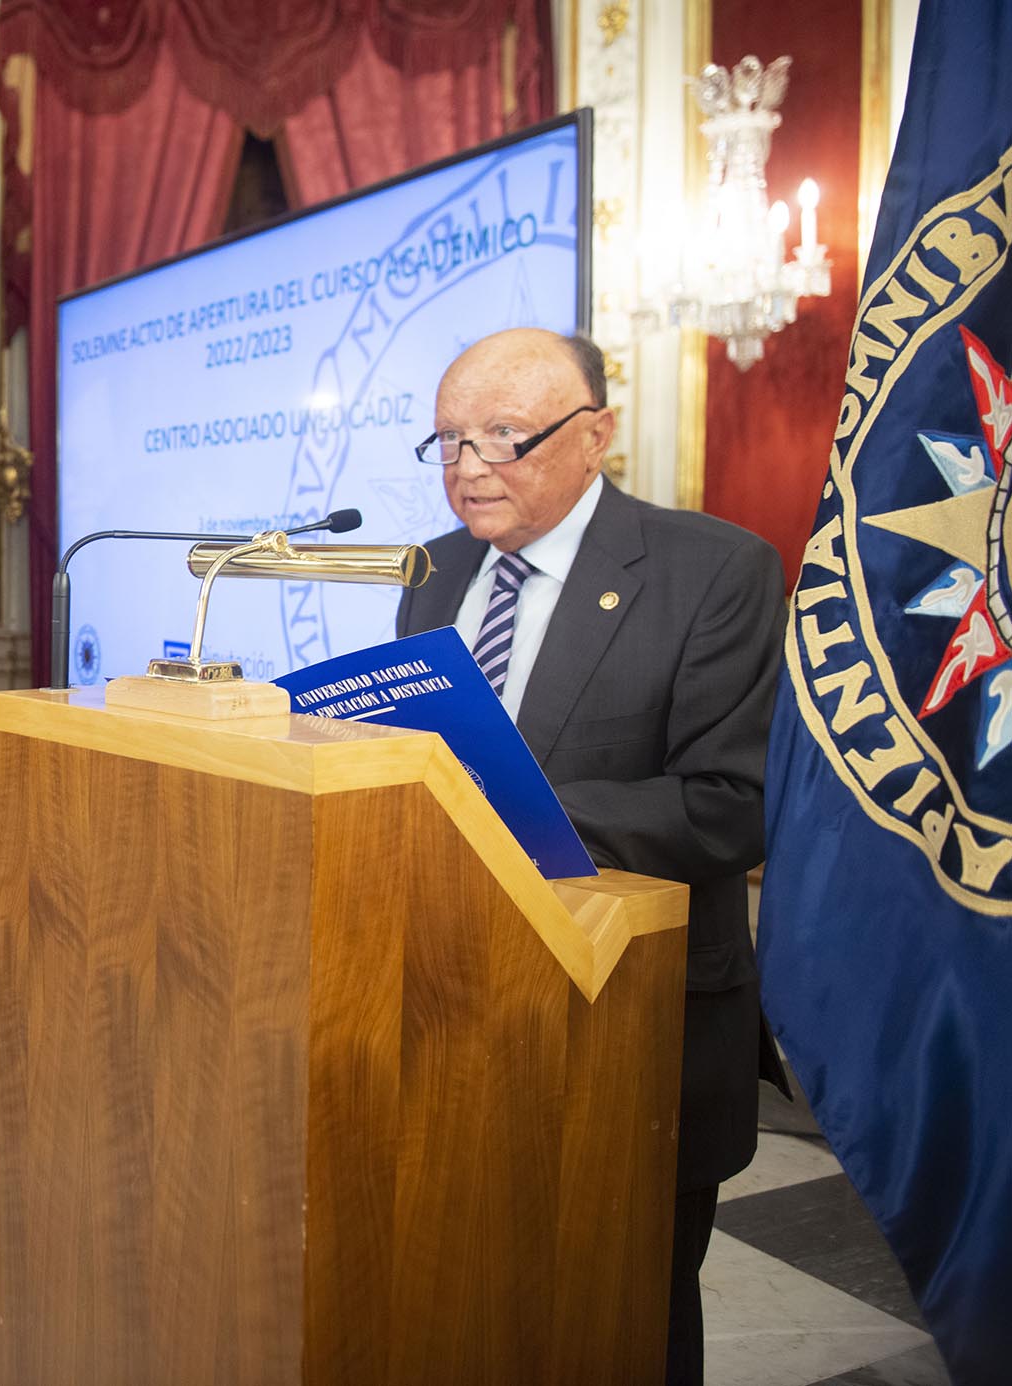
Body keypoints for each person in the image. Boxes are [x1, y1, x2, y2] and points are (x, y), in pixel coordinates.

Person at [394, 328, 784, 1386]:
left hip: (631, 1020)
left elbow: (730, 807)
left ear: (596, 435)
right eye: (448, 441)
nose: (467, 467)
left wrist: (508, 810)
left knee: (628, 1322)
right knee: (484, 1301)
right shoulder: (433, 575)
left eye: (503, 438)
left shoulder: (716, 571)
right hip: (461, 1012)